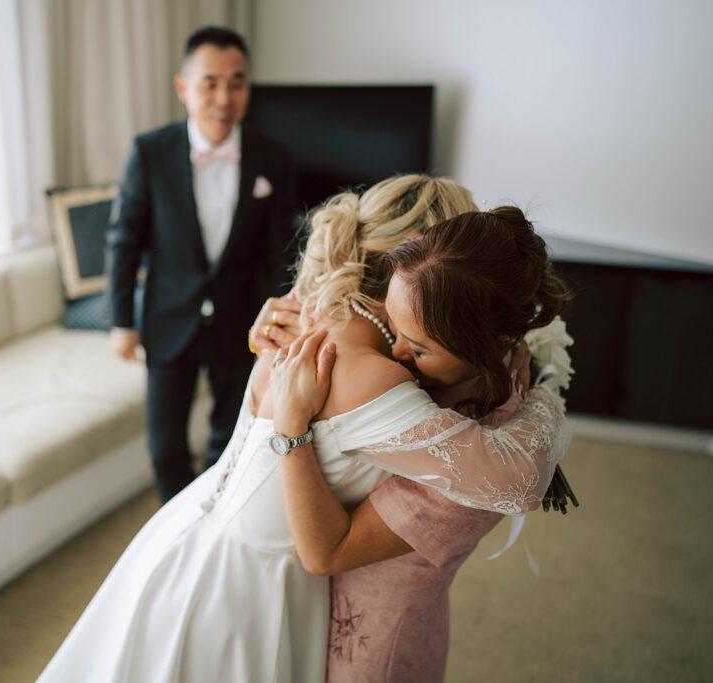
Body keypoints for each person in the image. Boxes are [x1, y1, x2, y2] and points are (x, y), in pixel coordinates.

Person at [36, 175, 569, 682]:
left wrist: (508, 343)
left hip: (188, 536)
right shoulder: (370, 372)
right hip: (252, 586)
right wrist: (540, 384)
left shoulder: (306, 310)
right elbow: (515, 479)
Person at [265, 204, 573, 682]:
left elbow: (325, 553)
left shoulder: (476, 461)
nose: (395, 352)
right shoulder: (416, 371)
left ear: (492, 343)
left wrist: (291, 430)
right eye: (394, 325)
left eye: (421, 348)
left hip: (369, 652)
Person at [108, 26, 297, 502]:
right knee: (164, 444)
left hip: (241, 320)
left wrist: (277, 317)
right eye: (210, 82)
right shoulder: (149, 153)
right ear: (183, 88)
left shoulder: (274, 157)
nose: (224, 97)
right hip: (168, 318)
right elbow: (123, 241)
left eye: (237, 82)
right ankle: (173, 524)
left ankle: (213, 519)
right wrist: (120, 322)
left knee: (230, 437)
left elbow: (280, 251)